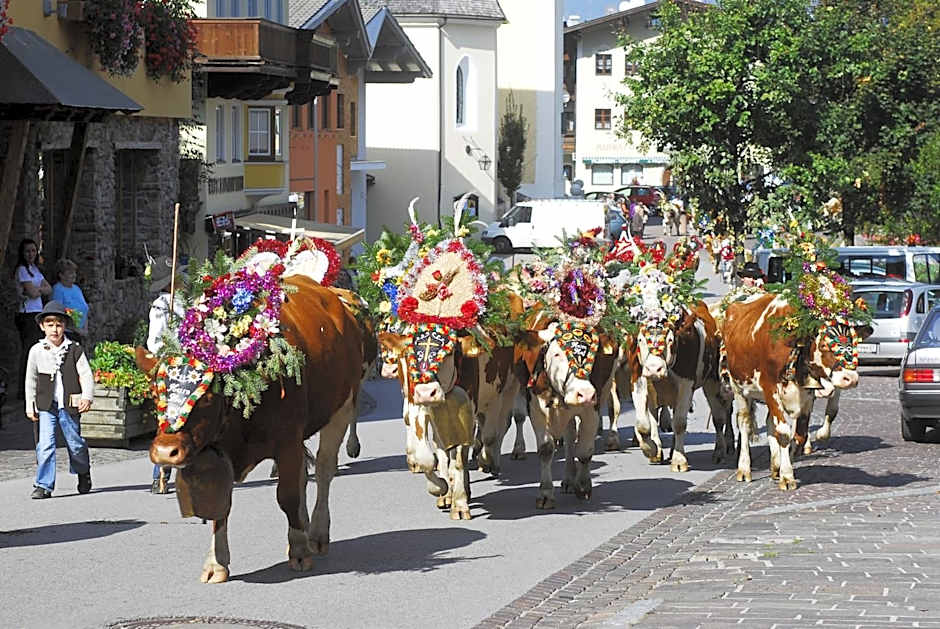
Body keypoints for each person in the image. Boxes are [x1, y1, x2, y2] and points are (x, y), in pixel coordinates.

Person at [25, 301, 94, 499]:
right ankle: (44, 485)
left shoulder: (74, 349)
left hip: (69, 405)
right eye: (50, 324)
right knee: (45, 444)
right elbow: (31, 379)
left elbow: (86, 375)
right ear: (42, 326)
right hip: (46, 405)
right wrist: (31, 406)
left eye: (58, 324)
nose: (54, 329)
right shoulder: (36, 351)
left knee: (75, 443)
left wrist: (87, 397)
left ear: (64, 326)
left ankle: (83, 471)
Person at [146, 256, 186, 494]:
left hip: (190, 364)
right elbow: (154, 341)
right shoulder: (161, 305)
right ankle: (159, 473)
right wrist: (170, 352)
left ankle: (188, 470)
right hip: (171, 365)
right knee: (168, 418)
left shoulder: (186, 301)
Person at [14, 239, 52, 399]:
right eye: (28, 251)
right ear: (22, 253)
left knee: (37, 351)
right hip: (27, 313)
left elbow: (48, 288)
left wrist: (37, 289)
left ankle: (34, 386)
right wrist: (38, 289)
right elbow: (33, 293)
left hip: (37, 312)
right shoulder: (22, 270)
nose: (31, 254)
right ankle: (23, 390)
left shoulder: (35, 269)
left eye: (33, 251)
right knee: (28, 351)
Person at [51, 258, 89, 340]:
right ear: (61, 275)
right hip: (66, 334)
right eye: (70, 273)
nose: (74, 275)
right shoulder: (58, 290)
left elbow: (84, 308)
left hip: (80, 333)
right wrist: (77, 330)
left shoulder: (76, 288)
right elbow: (57, 313)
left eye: (74, 272)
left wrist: (84, 330)